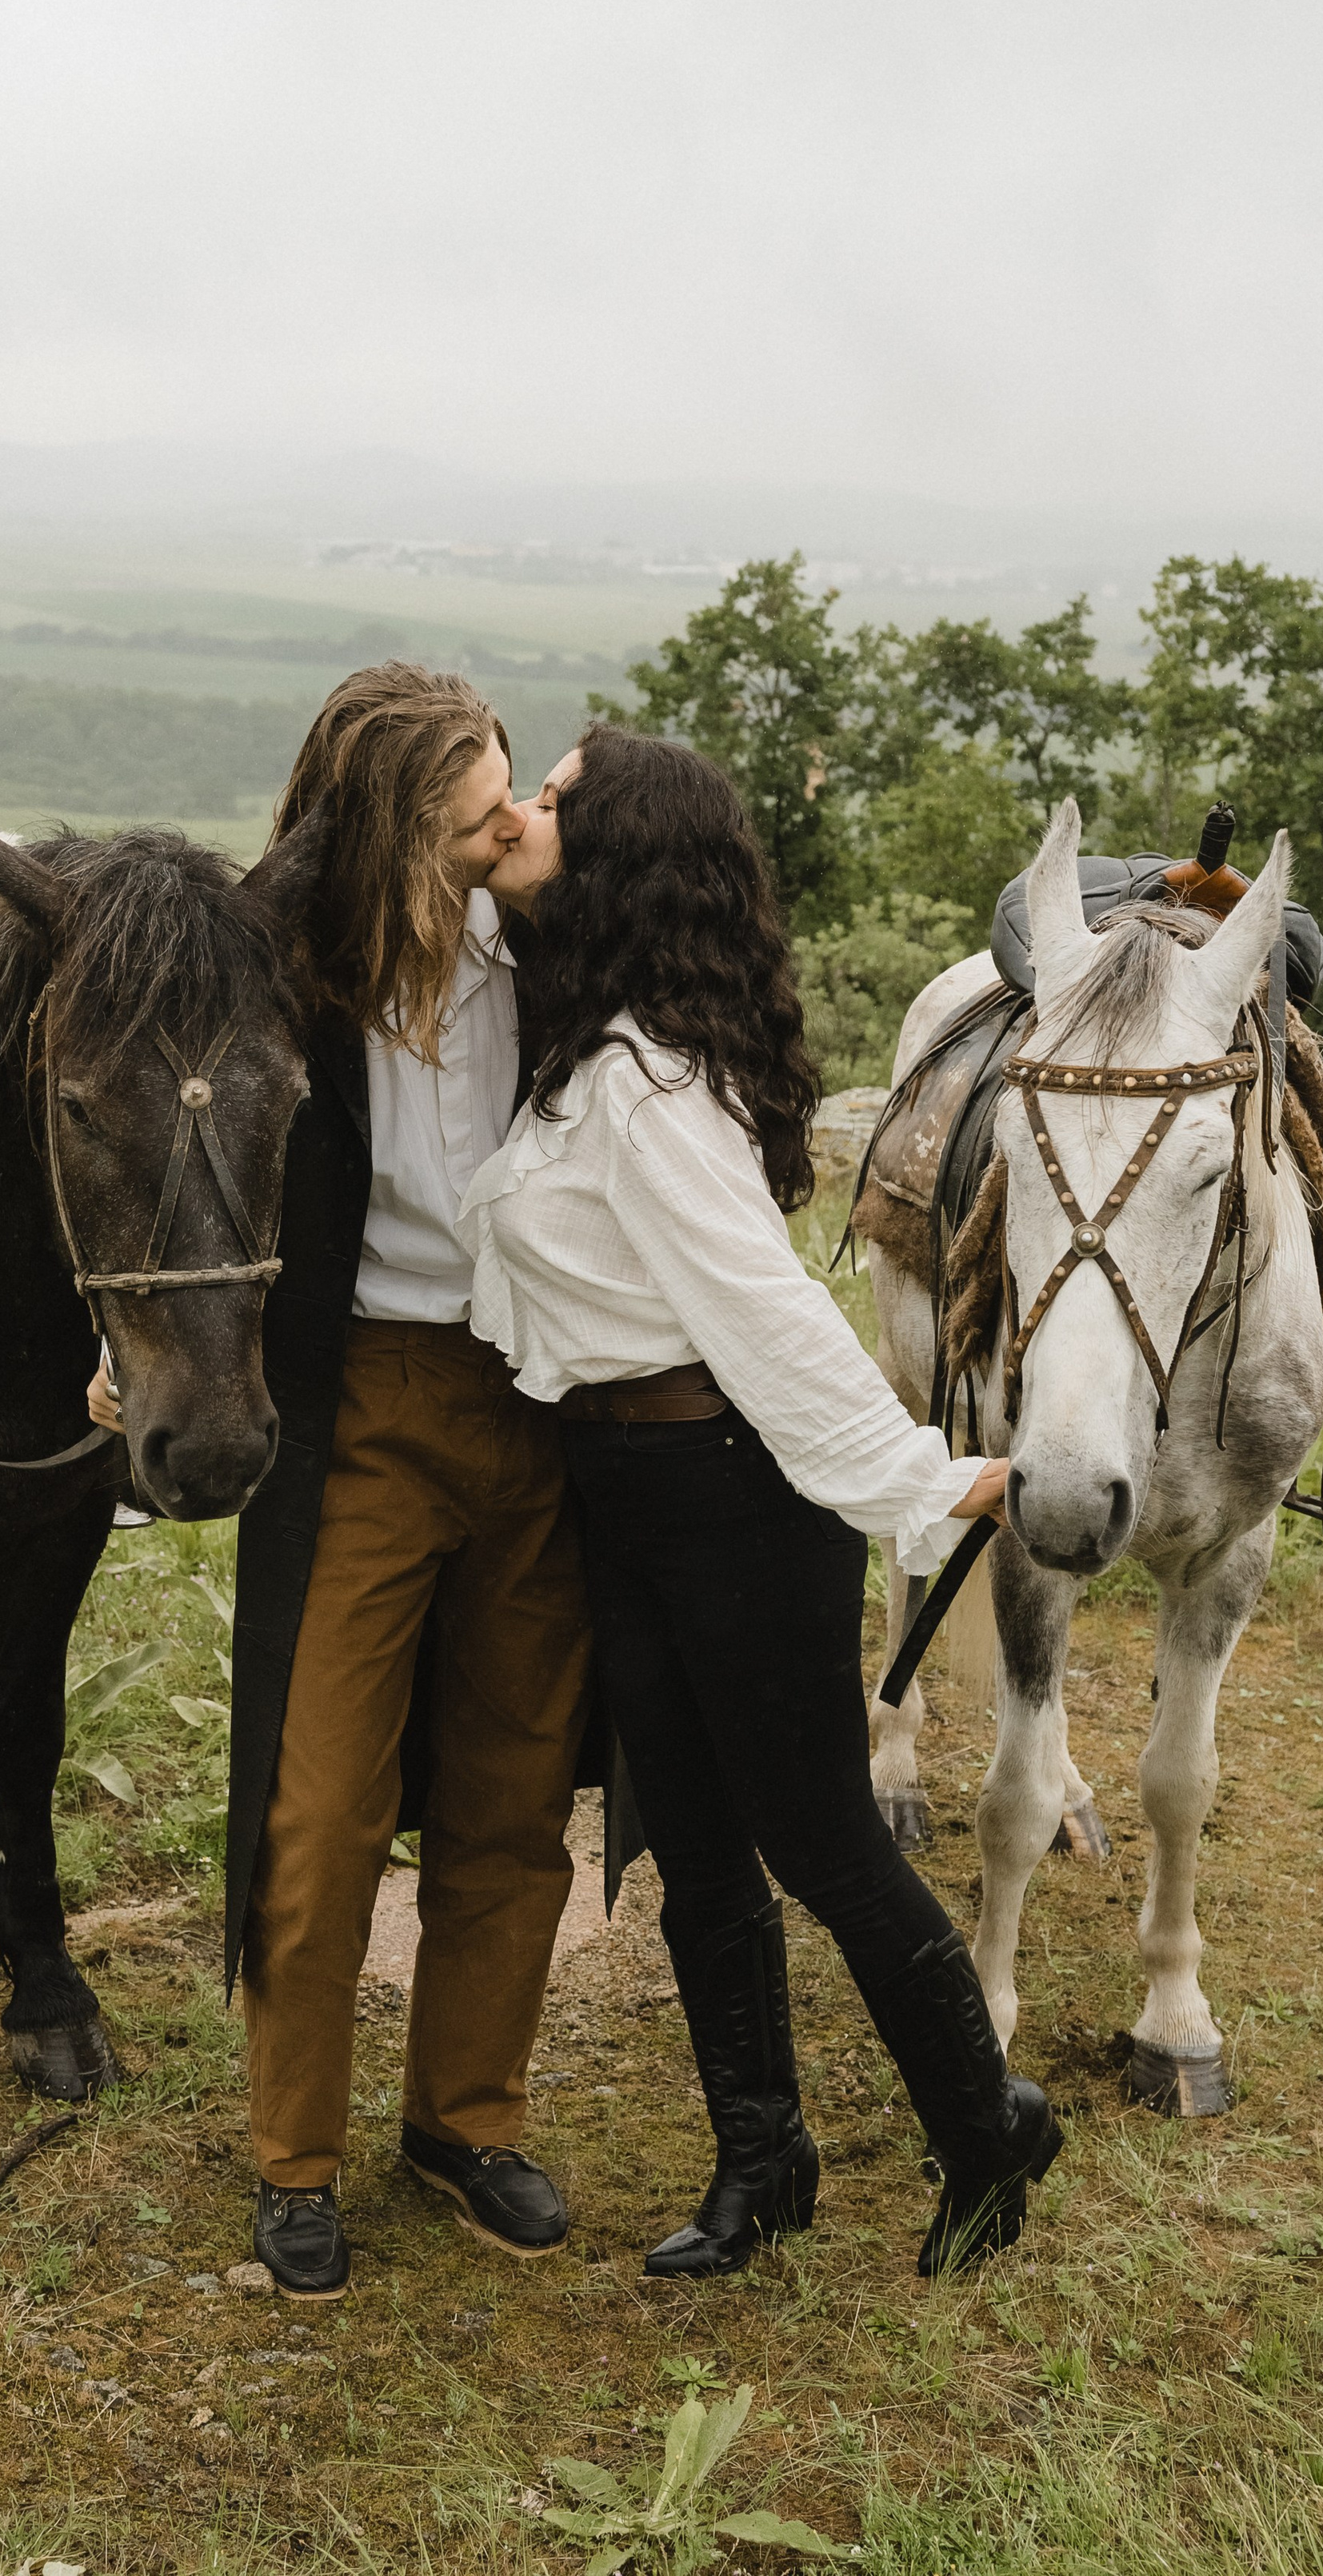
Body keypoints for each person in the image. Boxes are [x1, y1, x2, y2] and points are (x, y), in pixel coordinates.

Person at [457, 724, 1061, 2280]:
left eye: (552, 801)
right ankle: (762, 2166)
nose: (522, 813)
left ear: (619, 857)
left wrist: (919, 1486)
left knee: (818, 1841)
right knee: (696, 1847)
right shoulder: (581, 1039)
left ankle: (985, 2136)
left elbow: (766, 1312)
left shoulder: (646, 1079)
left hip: (728, 1485)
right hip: (626, 1485)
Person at [91, 664, 592, 2299]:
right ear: (379, 835)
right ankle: (293, 2156)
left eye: (507, 804)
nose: (502, 835)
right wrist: (126, 1355)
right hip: (360, 1406)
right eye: (468, 821)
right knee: (317, 1815)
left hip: (533, 1404)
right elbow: (159, 1164)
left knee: (516, 1799)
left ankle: (464, 2122)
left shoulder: (561, 961)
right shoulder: (278, 988)